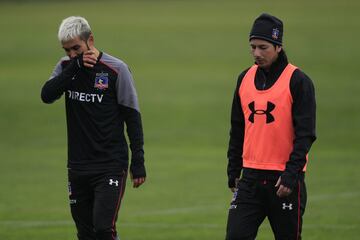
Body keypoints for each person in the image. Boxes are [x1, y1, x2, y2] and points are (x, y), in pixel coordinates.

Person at [41, 16, 146, 240]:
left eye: (76, 49)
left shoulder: (116, 69)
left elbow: (133, 117)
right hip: (77, 167)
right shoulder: (65, 67)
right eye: (67, 50)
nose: (71, 54)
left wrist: (138, 161)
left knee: (103, 229)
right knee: (85, 233)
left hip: (110, 165)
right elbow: (46, 95)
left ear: (91, 40)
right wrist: (74, 68)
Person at [225, 13, 316, 240]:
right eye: (253, 47)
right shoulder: (244, 78)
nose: (256, 53)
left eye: (263, 47)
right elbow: (238, 128)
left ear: (278, 46)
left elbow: (306, 135)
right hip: (250, 179)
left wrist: (291, 175)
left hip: (284, 180)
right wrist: (233, 169)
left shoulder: (298, 81)